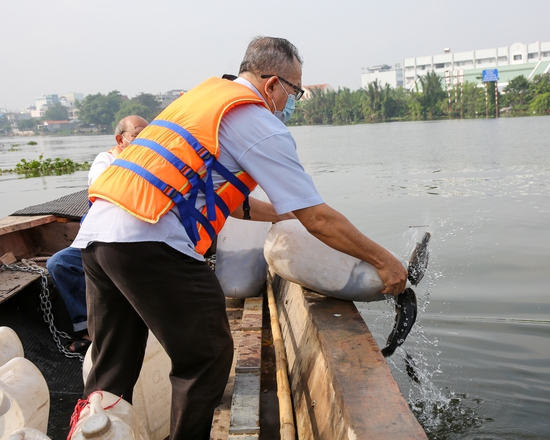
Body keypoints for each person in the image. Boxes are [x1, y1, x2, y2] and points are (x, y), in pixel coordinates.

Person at [71, 36, 407, 440]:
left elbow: (225, 201)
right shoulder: (257, 120)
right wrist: (385, 261)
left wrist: (285, 210)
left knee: (112, 365)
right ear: (271, 84)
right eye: (295, 91)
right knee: (207, 357)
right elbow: (319, 219)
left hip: (98, 236)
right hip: (150, 241)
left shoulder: (203, 100)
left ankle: (93, 430)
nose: (293, 102)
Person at [46, 115, 148, 353]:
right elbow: (101, 184)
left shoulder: (157, 161)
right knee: (59, 263)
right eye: (137, 134)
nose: (144, 139)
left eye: (149, 133)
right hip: (100, 239)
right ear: (120, 140)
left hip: (137, 240)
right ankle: (87, 329)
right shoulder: (106, 159)